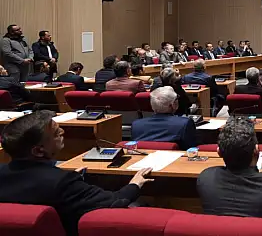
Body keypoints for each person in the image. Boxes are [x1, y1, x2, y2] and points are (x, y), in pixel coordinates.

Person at [0, 111, 153, 236]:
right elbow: (115, 201)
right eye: (55, 133)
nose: (63, 132)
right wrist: (135, 183)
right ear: (39, 150)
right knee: (139, 205)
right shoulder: (62, 182)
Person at [131, 86, 197, 150]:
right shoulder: (185, 123)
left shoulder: (136, 124)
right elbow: (192, 149)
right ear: (173, 105)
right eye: (177, 99)